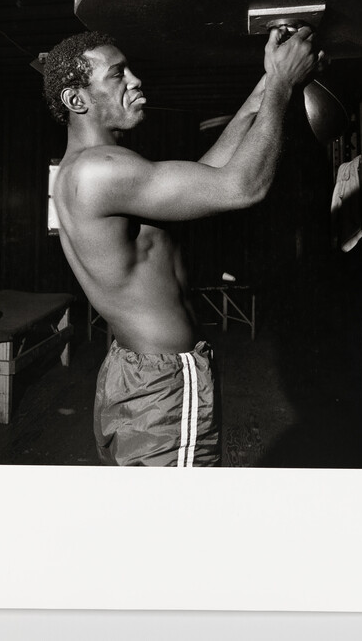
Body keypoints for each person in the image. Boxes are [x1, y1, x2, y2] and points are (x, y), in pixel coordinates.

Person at [43, 27, 318, 466]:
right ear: (77, 100)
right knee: (184, 522)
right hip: (164, 381)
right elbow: (241, 187)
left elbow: (205, 175)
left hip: (134, 369)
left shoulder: (86, 168)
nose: (135, 80)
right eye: (117, 75)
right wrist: (283, 88)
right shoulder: (103, 171)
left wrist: (265, 84)